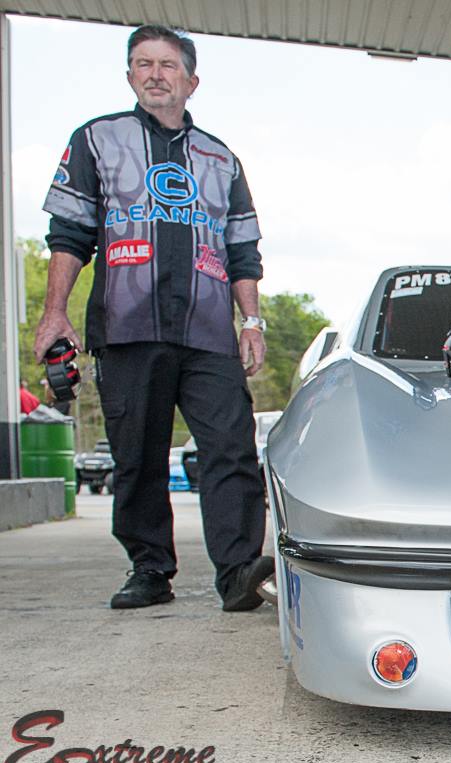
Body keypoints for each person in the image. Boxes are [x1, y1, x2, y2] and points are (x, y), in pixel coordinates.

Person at [33, 24, 272, 612]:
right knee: (137, 455)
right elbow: (69, 234)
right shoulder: (96, 140)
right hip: (127, 326)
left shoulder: (221, 158)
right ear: (129, 75)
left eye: (168, 65)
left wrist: (251, 322)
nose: (155, 75)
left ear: (192, 81)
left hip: (208, 332)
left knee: (232, 449)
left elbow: (242, 251)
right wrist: (54, 312)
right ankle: (149, 568)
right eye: (144, 64)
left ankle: (238, 573)